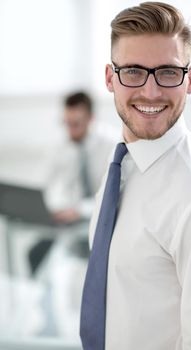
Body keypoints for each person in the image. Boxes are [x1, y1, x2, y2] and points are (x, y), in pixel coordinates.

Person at [80, 2, 191, 350]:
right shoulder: (121, 161)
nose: (151, 92)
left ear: (190, 80)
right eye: (133, 71)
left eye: (168, 72)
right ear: (109, 77)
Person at [28, 91, 114, 273]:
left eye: (76, 124)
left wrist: (80, 210)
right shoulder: (60, 145)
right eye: (67, 123)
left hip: (103, 217)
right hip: (69, 220)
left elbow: (112, 195)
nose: (70, 130)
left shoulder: (111, 144)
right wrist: (52, 207)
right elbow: (41, 182)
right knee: (35, 254)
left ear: (91, 119)